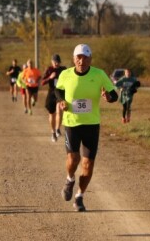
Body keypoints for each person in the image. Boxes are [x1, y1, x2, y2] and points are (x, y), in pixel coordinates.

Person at [55, 44, 118, 212]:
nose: (81, 61)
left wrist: (108, 97)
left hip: (91, 124)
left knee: (88, 164)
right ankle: (69, 180)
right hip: (71, 123)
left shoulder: (99, 74)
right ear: (74, 58)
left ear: (90, 59)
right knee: (73, 159)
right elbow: (58, 90)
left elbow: (114, 95)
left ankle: (79, 196)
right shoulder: (65, 74)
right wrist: (61, 101)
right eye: (78, 57)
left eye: (84, 58)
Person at [41, 54, 67, 142]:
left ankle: (57, 129)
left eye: (58, 62)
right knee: (51, 114)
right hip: (51, 93)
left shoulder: (63, 69)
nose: (56, 63)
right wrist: (50, 77)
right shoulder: (49, 70)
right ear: (51, 62)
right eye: (54, 61)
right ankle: (52, 132)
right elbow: (42, 82)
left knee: (59, 109)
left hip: (60, 93)